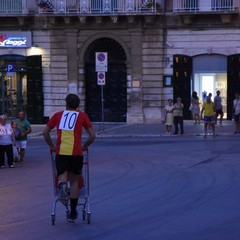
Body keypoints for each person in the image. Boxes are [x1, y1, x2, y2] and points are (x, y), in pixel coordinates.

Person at [43, 94, 96, 223]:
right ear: (78, 105)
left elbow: (45, 132)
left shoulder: (58, 115)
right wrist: (84, 146)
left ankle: (61, 184)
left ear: (66, 104)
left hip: (61, 151)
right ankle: (72, 212)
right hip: (76, 152)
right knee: (74, 182)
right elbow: (92, 135)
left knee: (62, 174)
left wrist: (51, 146)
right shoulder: (82, 116)